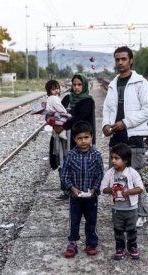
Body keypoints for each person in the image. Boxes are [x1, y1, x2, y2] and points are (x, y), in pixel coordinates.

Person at [102, 46, 148, 227]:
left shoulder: (141, 83)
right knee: (117, 177)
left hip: (134, 137)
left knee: (135, 176)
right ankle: (122, 211)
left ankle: (140, 213)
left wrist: (125, 123)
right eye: (117, 59)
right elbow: (108, 109)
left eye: (123, 59)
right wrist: (105, 125)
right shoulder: (112, 84)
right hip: (116, 138)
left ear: (131, 60)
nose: (120, 62)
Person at [61, 121, 104, 258]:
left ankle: (91, 244)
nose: (83, 141)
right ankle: (72, 243)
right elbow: (65, 174)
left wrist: (94, 189)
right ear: (74, 139)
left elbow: (100, 175)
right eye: (79, 138)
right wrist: (71, 188)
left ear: (91, 137)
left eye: (86, 137)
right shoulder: (70, 155)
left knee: (91, 221)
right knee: (74, 220)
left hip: (91, 197)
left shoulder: (96, 155)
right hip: (75, 197)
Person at [52, 73, 96, 201]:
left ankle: (82, 189)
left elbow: (80, 117)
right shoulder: (67, 98)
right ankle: (66, 190)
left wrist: (64, 124)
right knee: (64, 163)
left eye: (79, 84)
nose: (76, 87)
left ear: (84, 85)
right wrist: (55, 122)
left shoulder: (87, 100)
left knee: (80, 163)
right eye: (74, 84)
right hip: (64, 137)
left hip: (79, 137)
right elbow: (58, 112)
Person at [100, 143, 144, 260]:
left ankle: (132, 247)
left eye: (116, 158)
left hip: (131, 208)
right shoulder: (110, 173)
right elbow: (102, 188)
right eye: (112, 158)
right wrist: (111, 189)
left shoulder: (132, 173)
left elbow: (140, 188)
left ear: (125, 160)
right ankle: (119, 248)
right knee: (118, 230)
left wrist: (128, 191)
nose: (113, 161)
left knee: (132, 230)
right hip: (117, 209)